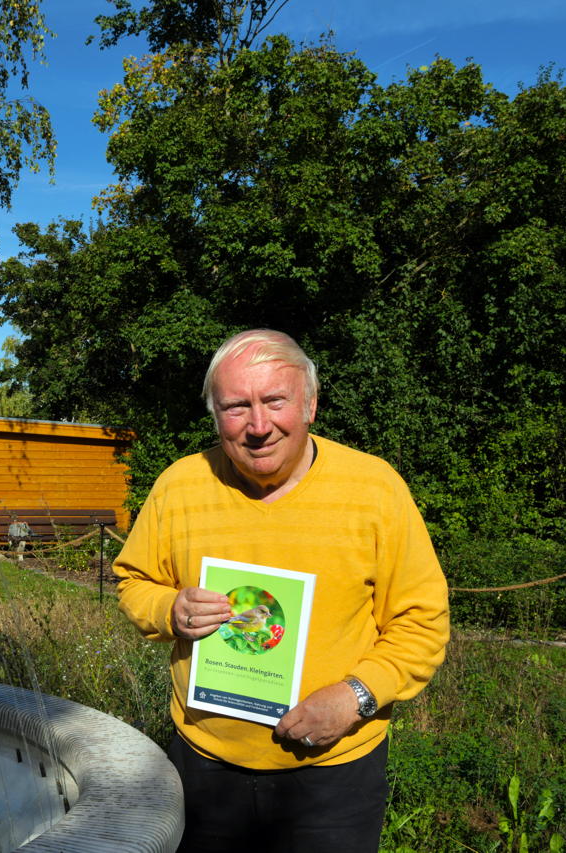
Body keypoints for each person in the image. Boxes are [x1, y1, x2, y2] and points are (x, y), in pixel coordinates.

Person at [113, 329, 449, 852]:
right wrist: (168, 609)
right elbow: (134, 581)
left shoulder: (375, 490)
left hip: (332, 777)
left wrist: (356, 697)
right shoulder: (179, 486)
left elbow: (422, 621)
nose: (258, 426)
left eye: (275, 401)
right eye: (236, 406)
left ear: (310, 404)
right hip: (203, 767)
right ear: (214, 414)